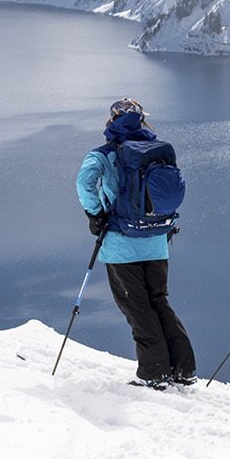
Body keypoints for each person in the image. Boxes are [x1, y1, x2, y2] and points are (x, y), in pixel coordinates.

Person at [76, 98, 197, 389]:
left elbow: (84, 183)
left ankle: (154, 372)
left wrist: (96, 215)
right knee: (159, 302)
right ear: (142, 121)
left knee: (137, 308)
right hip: (156, 241)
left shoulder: (104, 154)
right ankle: (183, 368)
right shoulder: (158, 151)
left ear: (111, 121)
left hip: (121, 245)